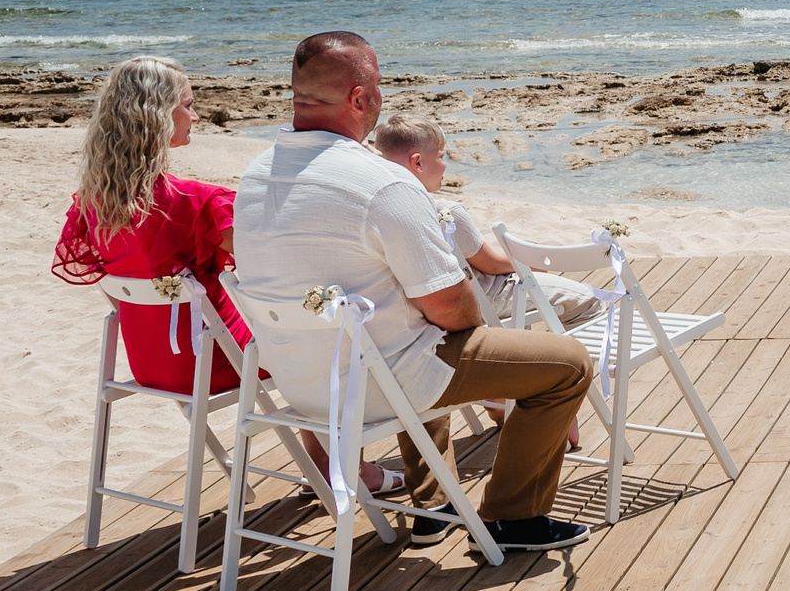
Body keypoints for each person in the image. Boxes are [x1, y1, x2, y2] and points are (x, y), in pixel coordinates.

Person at [233, 32, 595, 552]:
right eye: (379, 84)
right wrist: (466, 326)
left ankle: (435, 504)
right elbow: (451, 306)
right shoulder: (382, 183)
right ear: (360, 98)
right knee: (567, 364)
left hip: (304, 386)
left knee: (414, 339)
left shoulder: (255, 176)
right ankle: (514, 518)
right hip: (378, 382)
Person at [51, 55, 402, 496]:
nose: (196, 116)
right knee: (315, 340)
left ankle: (325, 467)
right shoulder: (195, 202)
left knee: (297, 334)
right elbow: (272, 260)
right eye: (188, 105)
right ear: (157, 116)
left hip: (150, 363)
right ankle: (343, 471)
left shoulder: (93, 203)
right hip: (211, 360)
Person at [371, 113, 601, 331]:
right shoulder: (446, 212)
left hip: (425, 306)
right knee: (588, 300)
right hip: (483, 298)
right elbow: (491, 265)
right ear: (418, 163)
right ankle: (579, 357)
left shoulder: (383, 212)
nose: (446, 164)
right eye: (441, 156)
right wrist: (530, 263)